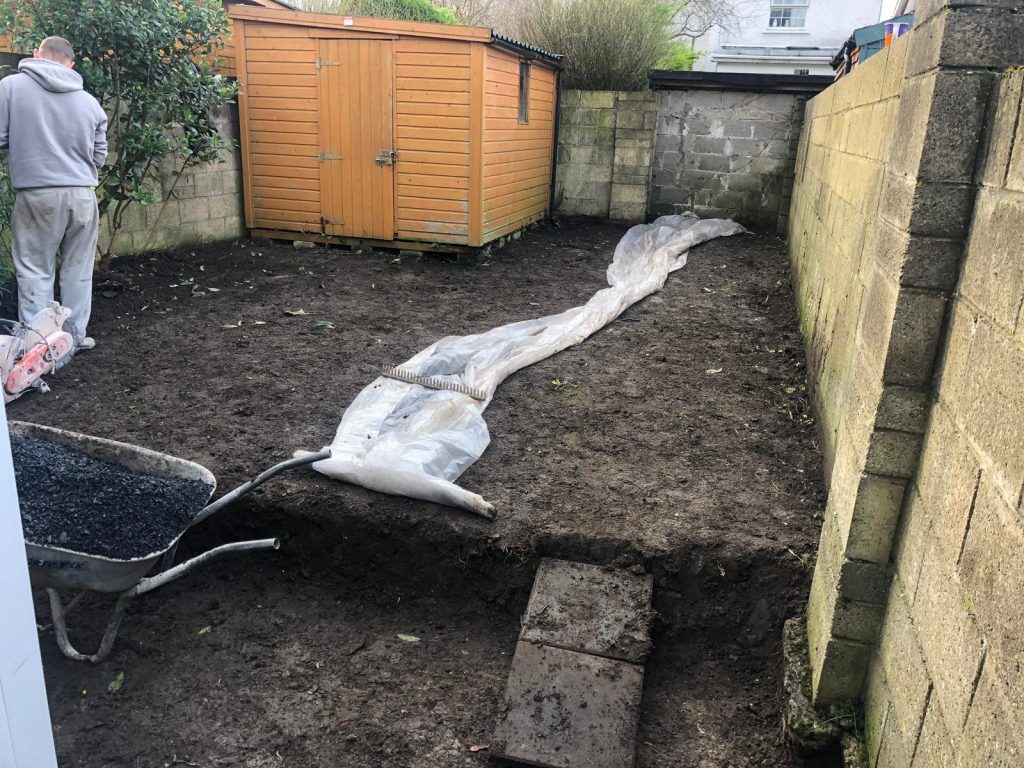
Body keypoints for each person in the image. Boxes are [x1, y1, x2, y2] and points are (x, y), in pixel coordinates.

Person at [0, 36, 108, 350]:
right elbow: (99, 152)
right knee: (78, 268)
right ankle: (73, 338)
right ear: (70, 64)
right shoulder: (89, 101)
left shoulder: (11, 87)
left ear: (37, 54)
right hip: (82, 195)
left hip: (37, 194)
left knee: (35, 268)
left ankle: (38, 344)